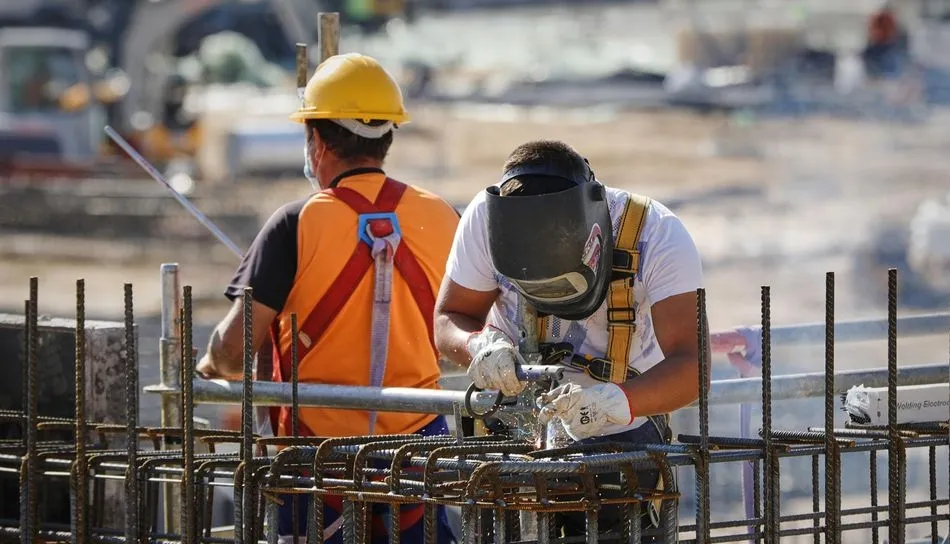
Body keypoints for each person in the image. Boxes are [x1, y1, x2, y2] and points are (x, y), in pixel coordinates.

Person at [196, 52, 459, 543]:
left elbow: (234, 352)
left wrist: (210, 364)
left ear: (316, 140)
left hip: (320, 463)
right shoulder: (442, 217)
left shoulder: (295, 224)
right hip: (421, 457)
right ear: (388, 136)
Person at [434, 139, 707, 539]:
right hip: (513, 424)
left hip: (619, 435)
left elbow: (692, 367)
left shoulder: (656, 234)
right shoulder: (485, 219)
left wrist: (615, 402)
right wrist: (479, 345)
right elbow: (450, 319)